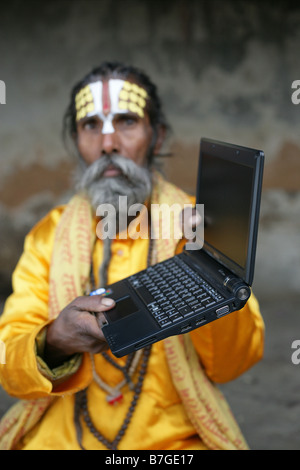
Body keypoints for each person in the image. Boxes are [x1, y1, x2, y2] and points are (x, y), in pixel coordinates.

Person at [0, 61, 264, 451]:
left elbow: (235, 363)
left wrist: (204, 268)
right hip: (62, 437)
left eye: (126, 121)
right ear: (76, 140)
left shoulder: (198, 224)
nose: (108, 143)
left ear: (156, 137)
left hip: (172, 444)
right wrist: (56, 339)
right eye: (91, 125)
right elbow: (9, 363)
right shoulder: (50, 235)